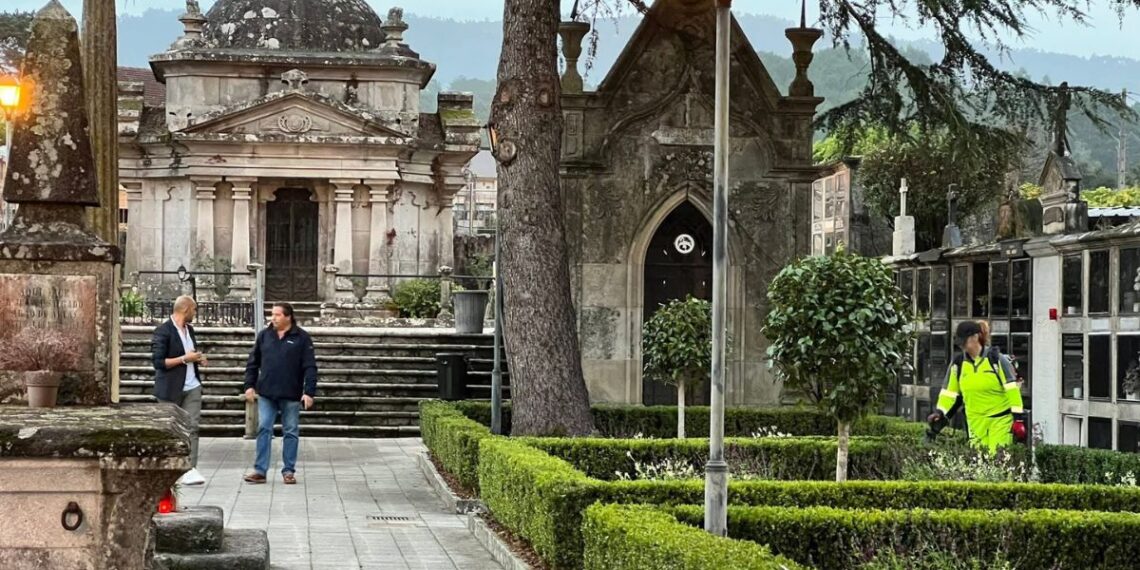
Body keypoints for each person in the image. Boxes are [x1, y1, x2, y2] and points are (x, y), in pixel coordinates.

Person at [242, 302, 318, 485]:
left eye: (277, 315)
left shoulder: (302, 338)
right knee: (264, 428)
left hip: (291, 393)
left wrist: (309, 392)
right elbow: (253, 363)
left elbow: (310, 367)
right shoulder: (264, 336)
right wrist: (248, 386)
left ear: (288, 317)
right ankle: (260, 470)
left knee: (290, 431)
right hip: (267, 392)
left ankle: (289, 470)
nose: (272, 318)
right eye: (272, 314)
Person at [929, 321, 1025, 453]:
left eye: (965, 340)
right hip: (974, 422)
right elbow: (949, 393)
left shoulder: (997, 360)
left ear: (976, 337)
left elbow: (1012, 390)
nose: (962, 345)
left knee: (997, 462)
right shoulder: (958, 364)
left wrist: (1018, 419)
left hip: (1000, 421)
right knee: (979, 464)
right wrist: (940, 412)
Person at [152, 295, 208, 486]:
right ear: (185, 309)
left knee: (192, 427)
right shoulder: (163, 331)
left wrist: (198, 359)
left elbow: (191, 354)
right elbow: (159, 362)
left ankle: (190, 469)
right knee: (170, 431)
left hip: (192, 386)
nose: (195, 313)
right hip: (170, 389)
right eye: (194, 310)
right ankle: (169, 468)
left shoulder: (189, 330)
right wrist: (185, 359)